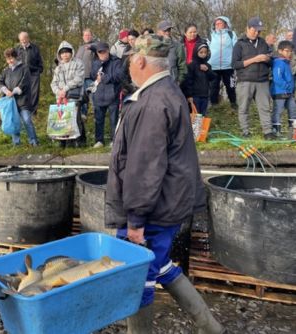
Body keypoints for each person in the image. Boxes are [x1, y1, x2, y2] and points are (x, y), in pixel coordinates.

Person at [105, 34, 224, 334]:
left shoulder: (152, 103)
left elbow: (145, 169)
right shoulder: (168, 92)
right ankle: (210, 327)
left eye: (131, 59)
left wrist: (135, 218)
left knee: (138, 277)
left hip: (153, 209)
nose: (129, 66)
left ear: (141, 60)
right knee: (160, 265)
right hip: (168, 204)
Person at [232, 16, 275, 139]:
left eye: (259, 31)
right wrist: (254, 59)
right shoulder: (239, 44)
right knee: (244, 108)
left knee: (265, 108)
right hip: (245, 81)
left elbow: (271, 61)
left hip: (262, 81)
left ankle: (268, 132)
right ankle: (245, 132)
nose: (257, 33)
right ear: (248, 28)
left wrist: (267, 59)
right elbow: (235, 64)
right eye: (254, 30)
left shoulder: (263, 43)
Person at [0, 48, 39, 146]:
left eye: (11, 58)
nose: (10, 61)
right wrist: (5, 90)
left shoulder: (24, 68)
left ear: (15, 57)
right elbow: (0, 82)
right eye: (7, 59)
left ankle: (33, 141)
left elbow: (25, 82)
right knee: (13, 121)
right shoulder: (6, 71)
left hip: (23, 100)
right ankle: (16, 143)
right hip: (11, 101)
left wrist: (15, 90)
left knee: (26, 120)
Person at [51, 41, 86, 146]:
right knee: (62, 119)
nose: (65, 55)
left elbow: (78, 79)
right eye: (62, 53)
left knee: (75, 118)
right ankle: (63, 141)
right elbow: (53, 83)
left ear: (71, 52)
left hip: (74, 96)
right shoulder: (58, 68)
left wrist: (65, 89)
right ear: (59, 54)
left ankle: (79, 141)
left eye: (67, 52)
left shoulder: (78, 63)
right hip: (61, 98)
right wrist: (59, 92)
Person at [90, 41, 124, 148]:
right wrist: (96, 74)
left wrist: (105, 78)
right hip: (99, 95)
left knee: (114, 120)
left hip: (112, 95)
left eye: (104, 51)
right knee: (99, 120)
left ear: (108, 51)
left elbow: (119, 76)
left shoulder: (116, 61)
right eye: (100, 52)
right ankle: (99, 140)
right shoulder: (95, 62)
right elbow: (92, 75)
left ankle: (114, 140)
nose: (102, 54)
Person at [208, 16, 238, 108]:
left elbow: (236, 49)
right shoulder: (210, 36)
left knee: (230, 86)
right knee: (214, 87)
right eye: (216, 24)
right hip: (213, 66)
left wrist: (235, 62)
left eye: (220, 23)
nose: (218, 25)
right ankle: (214, 105)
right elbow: (206, 50)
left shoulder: (231, 34)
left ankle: (233, 104)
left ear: (225, 24)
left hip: (228, 66)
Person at [182, 42, 217, 116]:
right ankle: (194, 128)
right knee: (195, 115)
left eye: (205, 52)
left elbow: (213, 77)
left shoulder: (207, 65)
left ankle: (202, 127)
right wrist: (189, 95)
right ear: (196, 52)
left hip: (205, 95)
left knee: (203, 115)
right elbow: (188, 81)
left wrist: (207, 70)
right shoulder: (191, 66)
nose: (203, 54)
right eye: (201, 52)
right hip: (195, 96)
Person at [270, 40, 296, 136]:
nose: (289, 53)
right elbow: (277, 78)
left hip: (289, 92)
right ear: (280, 51)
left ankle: (292, 131)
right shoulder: (278, 63)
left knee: (293, 108)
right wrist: (287, 87)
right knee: (278, 110)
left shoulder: (287, 63)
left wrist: (291, 88)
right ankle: (276, 130)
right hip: (279, 92)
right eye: (286, 51)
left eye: (290, 51)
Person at [16, 31, 43, 115]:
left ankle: (33, 112)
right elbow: (15, 62)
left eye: (24, 39)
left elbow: (40, 61)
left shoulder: (35, 48)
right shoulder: (17, 49)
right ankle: (23, 111)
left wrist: (39, 70)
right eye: (21, 40)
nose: (23, 41)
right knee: (23, 92)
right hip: (22, 75)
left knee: (34, 93)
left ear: (28, 38)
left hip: (34, 74)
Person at [156, 20, 187, 85]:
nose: (167, 32)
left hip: (173, 84)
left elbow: (182, 66)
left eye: (169, 30)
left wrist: (179, 81)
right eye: (164, 30)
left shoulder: (178, 46)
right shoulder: (154, 47)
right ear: (158, 32)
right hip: (157, 85)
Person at [75, 28, 97, 120]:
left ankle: (97, 114)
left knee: (93, 97)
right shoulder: (80, 48)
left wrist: (92, 48)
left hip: (91, 76)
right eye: (85, 35)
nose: (87, 37)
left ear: (91, 36)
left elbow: (99, 52)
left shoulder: (95, 45)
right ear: (83, 37)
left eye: (88, 35)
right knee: (82, 97)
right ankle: (83, 115)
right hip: (80, 77)